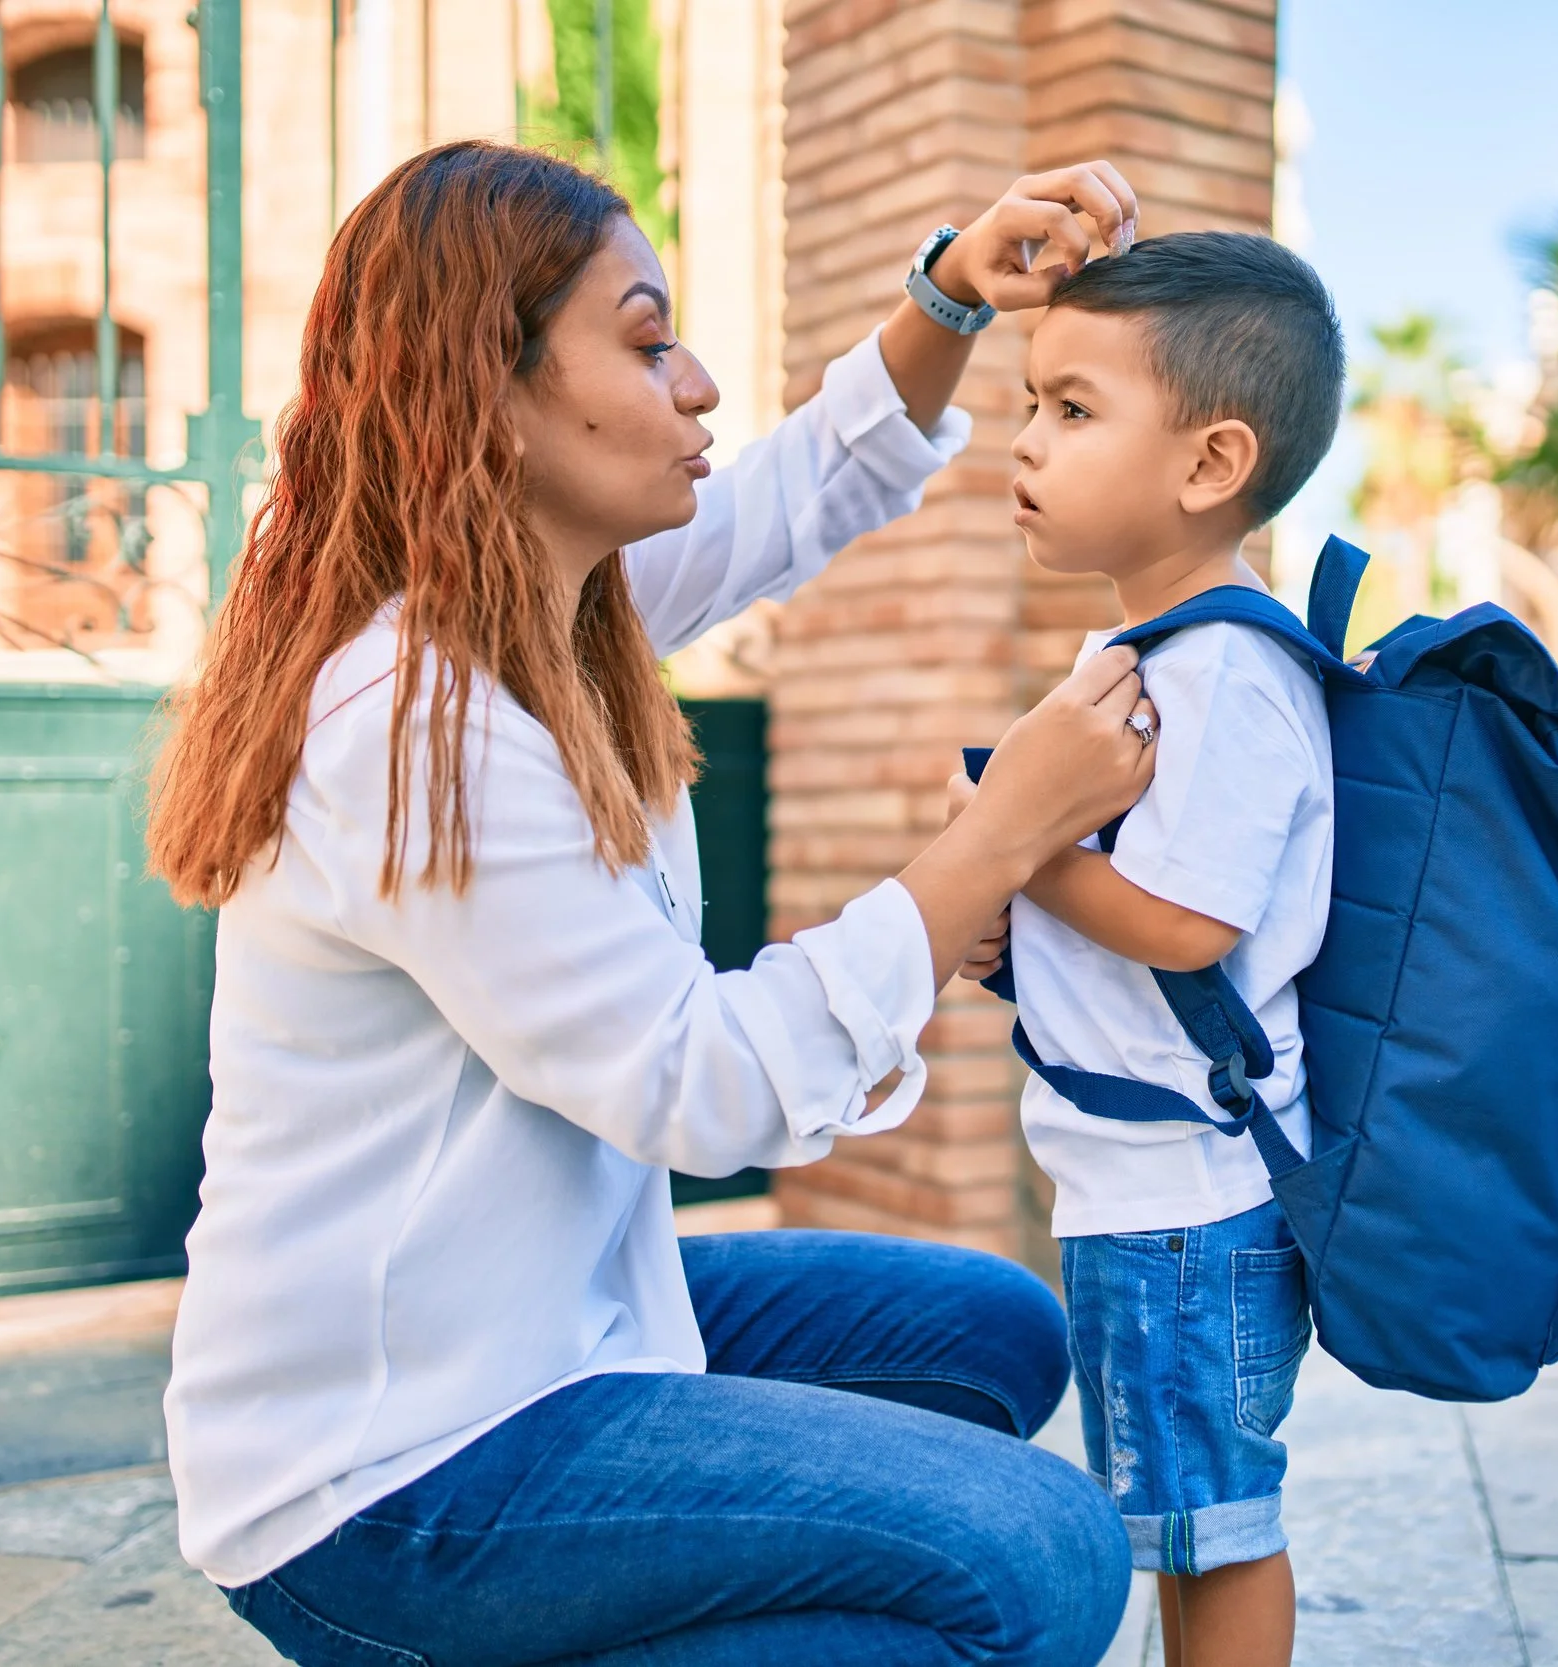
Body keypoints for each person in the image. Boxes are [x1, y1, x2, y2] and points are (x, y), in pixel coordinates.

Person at [145, 141, 1163, 1666]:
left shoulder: (552, 617)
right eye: (644, 337)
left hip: (547, 1327)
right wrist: (1002, 834)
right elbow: (704, 1084)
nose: (696, 385)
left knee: (994, 1332)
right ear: (486, 387)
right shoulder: (413, 722)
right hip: (388, 1475)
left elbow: (795, 493)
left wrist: (954, 292)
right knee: (1045, 1557)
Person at [958, 233, 1347, 1667]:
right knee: (1177, 1520)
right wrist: (1015, 910)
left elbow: (1190, 924)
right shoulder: (1139, 661)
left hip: (1192, 1201)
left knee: (1216, 1525)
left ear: (1208, 461)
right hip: (1135, 1191)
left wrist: (1022, 842)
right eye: (1029, 404)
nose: (1026, 441)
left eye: (1072, 409)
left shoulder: (1233, 674)